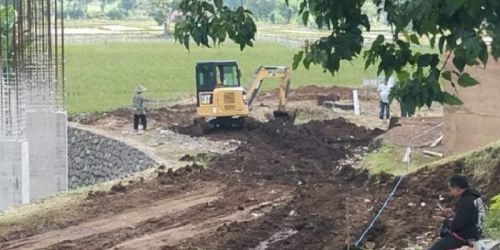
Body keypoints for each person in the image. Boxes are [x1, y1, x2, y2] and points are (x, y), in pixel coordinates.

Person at [428, 175, 486, 250]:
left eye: (451, 189)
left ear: (457, 188)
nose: (451, 192)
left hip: (466, 237)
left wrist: (444, 220)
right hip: (477, 233)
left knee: (436, 247)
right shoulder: (476, 197)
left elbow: (456, 226)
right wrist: (451, 215)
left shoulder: (465, 201)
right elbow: (469, 218)